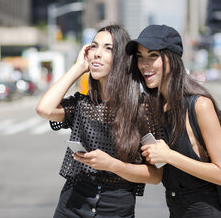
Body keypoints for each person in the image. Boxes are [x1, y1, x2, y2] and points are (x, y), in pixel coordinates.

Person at [36, 24, 162, 218]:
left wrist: (112, 165)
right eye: (93, 47)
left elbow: (155, 175)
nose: (97, 54)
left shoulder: (142, 109)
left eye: (108, 48)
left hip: (116, 208)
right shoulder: (82, 104)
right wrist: (78, 68)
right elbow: (44, 109)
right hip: (72, 204)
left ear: (122, 59)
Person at [124, 24, 221, 218]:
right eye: (140, 57)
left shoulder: (199, 105)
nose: (144, 64)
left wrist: (169, 156)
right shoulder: (153, 107)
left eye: (153, 56)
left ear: (172, 58)